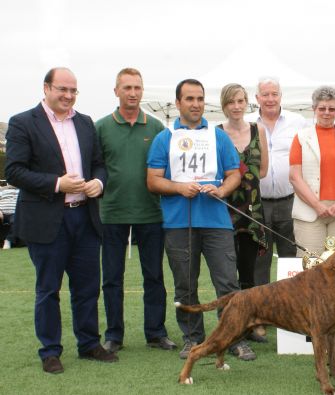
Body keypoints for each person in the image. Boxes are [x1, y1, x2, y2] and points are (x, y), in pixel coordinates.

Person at [5, 67, 117, 374]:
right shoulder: (22, 122)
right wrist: (57, 184)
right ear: (46, 88)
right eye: (62, 89)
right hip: (47, 220)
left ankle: (89, 344)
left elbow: (99, 165)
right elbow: (13, 171)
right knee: (48, 289)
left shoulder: (84, 122)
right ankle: (50, 351)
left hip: (84, 216)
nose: (68, 96)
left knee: (87, 287)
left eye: (73, 90)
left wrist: (99, 183)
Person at [146, 78, 257, 361]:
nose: (195, 104)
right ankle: (192, 338)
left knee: (227, 284)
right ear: (178, 103)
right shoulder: (165, 138)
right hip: (178, 224)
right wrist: (179, 187)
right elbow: (153, 181)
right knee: (186, 285)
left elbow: (235, 174)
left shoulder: (218, 136)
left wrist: (221, 190)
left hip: (217, 222)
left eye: (199, 99)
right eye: (189, 99)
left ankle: (234, 338)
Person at [95, 68, 176, 353]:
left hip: (151, 213)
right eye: (127, 88)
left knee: (154, 276)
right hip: (112, 213)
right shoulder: (101, 127)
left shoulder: (155, 128)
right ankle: (114, 335)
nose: (132, 93)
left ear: (142, 91)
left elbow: (168, 167)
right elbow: (95, 166)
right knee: (112, 279)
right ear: (116, 90)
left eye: (137, 88)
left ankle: (155, 332)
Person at [245, 77, 307, 338]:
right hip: (257, 204)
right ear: (257, 98)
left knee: (290, 259)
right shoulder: (247, 124)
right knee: (259, 261)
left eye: (274, 94)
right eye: (265, 94)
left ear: (281, 96)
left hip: (290, 200)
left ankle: (292, 315)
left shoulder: (298, 123)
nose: (270, 98)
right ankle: (260, 319)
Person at [217, 83, 269, 342]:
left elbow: (263, 170)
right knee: (227, 271)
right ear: (224, 105)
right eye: (230, 102)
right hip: (225, 209)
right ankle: (231, 324)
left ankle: (251, 322)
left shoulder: (257, 129)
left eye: (240, 101)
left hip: (253, 209)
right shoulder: (216, 133)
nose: (236, 107)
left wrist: (246, 183)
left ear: (247, 102)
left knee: (249, 270)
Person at [289, 86, 335, 255]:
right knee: (310, 267)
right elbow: (294, 177)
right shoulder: (300, 137)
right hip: (310, 212)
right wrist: (316, 205)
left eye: (331, 109)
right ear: (314, 109)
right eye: (322, 108)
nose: (326, 112)